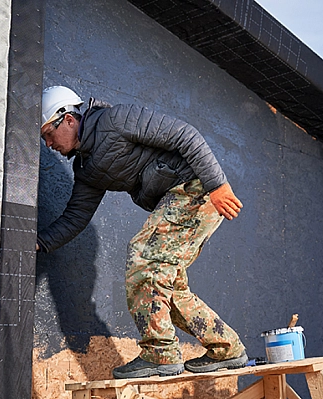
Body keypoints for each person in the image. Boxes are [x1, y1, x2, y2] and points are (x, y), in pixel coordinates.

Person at [36, 86, 247, 379]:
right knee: (165, 283)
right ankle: (226, 348)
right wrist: (39, 243)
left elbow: (184, 135)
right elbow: (76, 217)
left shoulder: (116, 120)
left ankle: (160, 354)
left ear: (68, 120)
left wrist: (217, 185)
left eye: (48, 134)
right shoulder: (87, 168)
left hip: (195, 189)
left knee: (144, 259)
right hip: (180, 198)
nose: (48, 144)